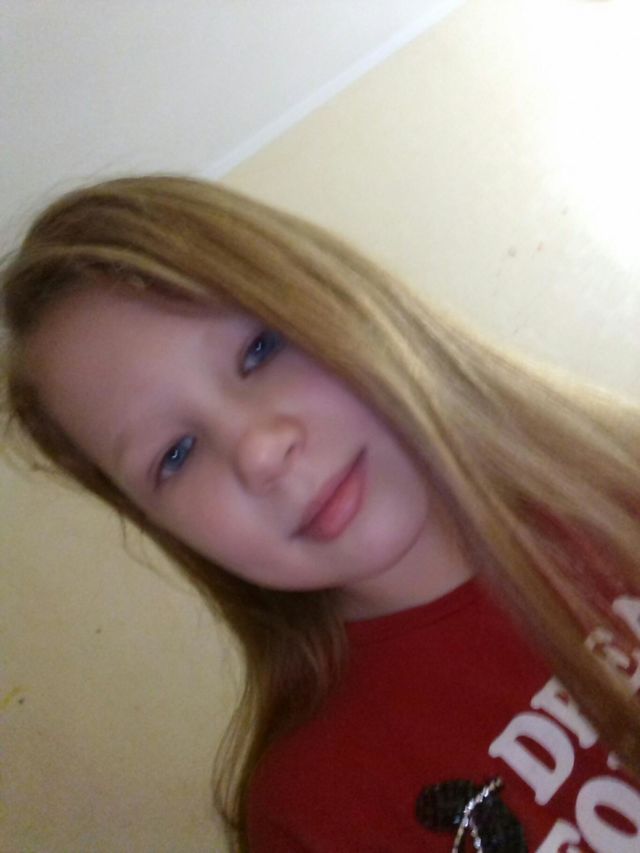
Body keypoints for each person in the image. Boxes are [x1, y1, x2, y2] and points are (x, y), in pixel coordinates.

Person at [2, 175, 640, 852]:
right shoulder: (315, 812)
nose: (259, 451)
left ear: (343, 300)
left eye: (260, 349)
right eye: (176, 454)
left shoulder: (617, 481)